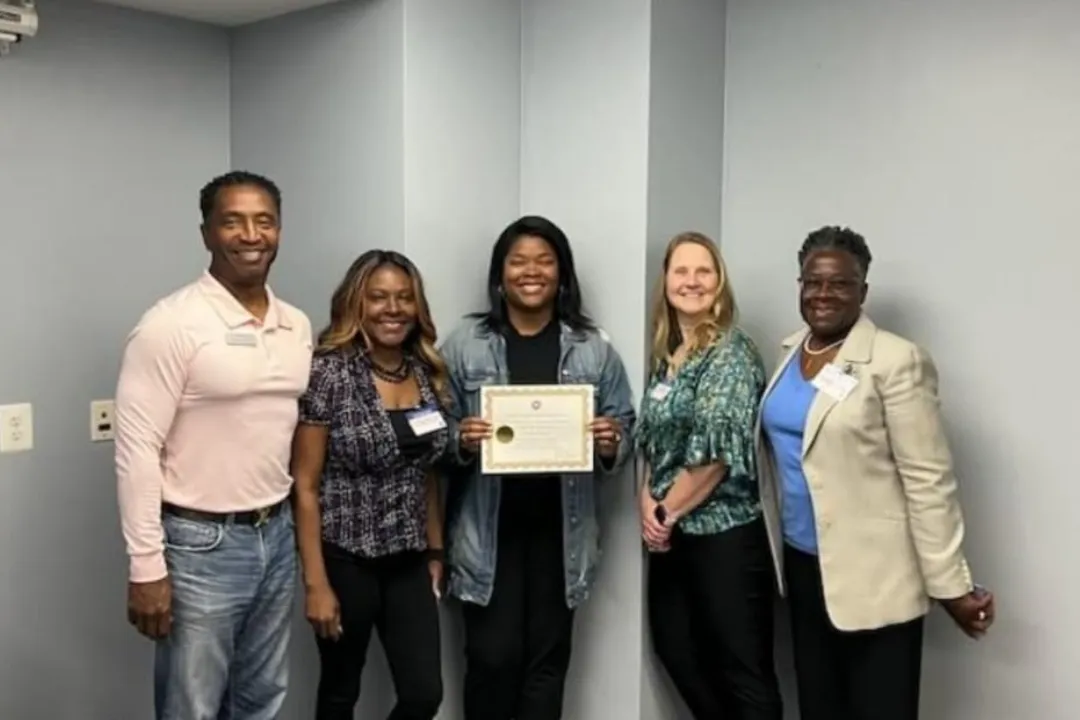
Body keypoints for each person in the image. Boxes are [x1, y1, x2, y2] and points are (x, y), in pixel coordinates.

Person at [757, 225, 996, 720]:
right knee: (819, 706)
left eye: (840, 284)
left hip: (876, 575)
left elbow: (929, 481)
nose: (823, 294)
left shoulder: (896, 360)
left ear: (863, 291)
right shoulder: (789, 351)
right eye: (813, 282)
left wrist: (951, 586)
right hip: (804, 566)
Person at [115, 171, 313, 720]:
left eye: (264, 221)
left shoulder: (296, 325)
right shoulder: (171, 324)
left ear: (279, 230)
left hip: (276, 535)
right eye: (233, 222)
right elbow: (136, 449)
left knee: (261, 698)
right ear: (206, 233)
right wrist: (146, 566)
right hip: (200, 544)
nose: (251, 235)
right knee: (194, 706)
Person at [441, 215, 636, 720]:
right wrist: (460, 438)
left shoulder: (593, 348)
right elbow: (434, 429)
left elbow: (624, 425)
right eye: (519, 261)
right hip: (488, 532)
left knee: (546, 668)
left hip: (561, 532)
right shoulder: (464, 343)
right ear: (500, 274)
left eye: (545, 261)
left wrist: (611, 442)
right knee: (491, 660)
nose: (532, 272)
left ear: (562, 274)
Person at [290, 250, 448, 720]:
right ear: (356, 304)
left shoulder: (425, 371)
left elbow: (426, 471)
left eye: (404, 298)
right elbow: (305, 485)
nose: (393, 309)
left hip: (408, 559)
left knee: (423, 695)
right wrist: (316, 583)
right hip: (346, 558)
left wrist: (435, 551)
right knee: (341, 692)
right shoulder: (329, 372)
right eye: (379, 297)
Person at [635, 232, 784, 720]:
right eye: (681, 271)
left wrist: (664, 512)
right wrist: (647, 501)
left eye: (704, 271)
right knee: (678, 653)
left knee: (742, 673)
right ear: (665, 281)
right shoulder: (669, 356)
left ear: (720, 282)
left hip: (726, 539)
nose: (692, 281)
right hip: (673, 537)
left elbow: (715, 455)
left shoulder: (731, 352)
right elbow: (654, 444)